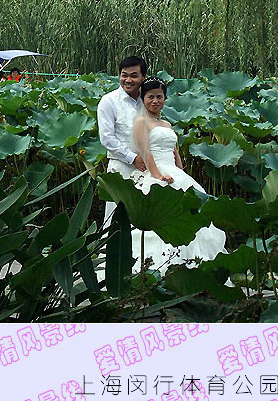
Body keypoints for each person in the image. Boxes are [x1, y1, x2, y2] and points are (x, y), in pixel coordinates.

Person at [129, 77, 227, 275]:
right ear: (143, 98)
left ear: (165, 98)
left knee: (193, 213)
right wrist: (158, 176)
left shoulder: (166, 124)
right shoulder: (141, 122)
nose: (155, 101)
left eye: (159, 97)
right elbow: (146, 152)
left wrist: (181, 170)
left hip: (174, 172)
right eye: (150, 97)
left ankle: (195, 263)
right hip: (156, 172)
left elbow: (175, 152)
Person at [97, 56, 147, 229]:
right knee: (119, 220)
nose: (128, 80)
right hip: (121, 169)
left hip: (148, 169)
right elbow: (107, 138)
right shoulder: (108, 101)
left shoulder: (148, 100)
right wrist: (133, 158)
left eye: (134, 76)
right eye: (124, 75)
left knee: (145, 218)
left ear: (143, 78)